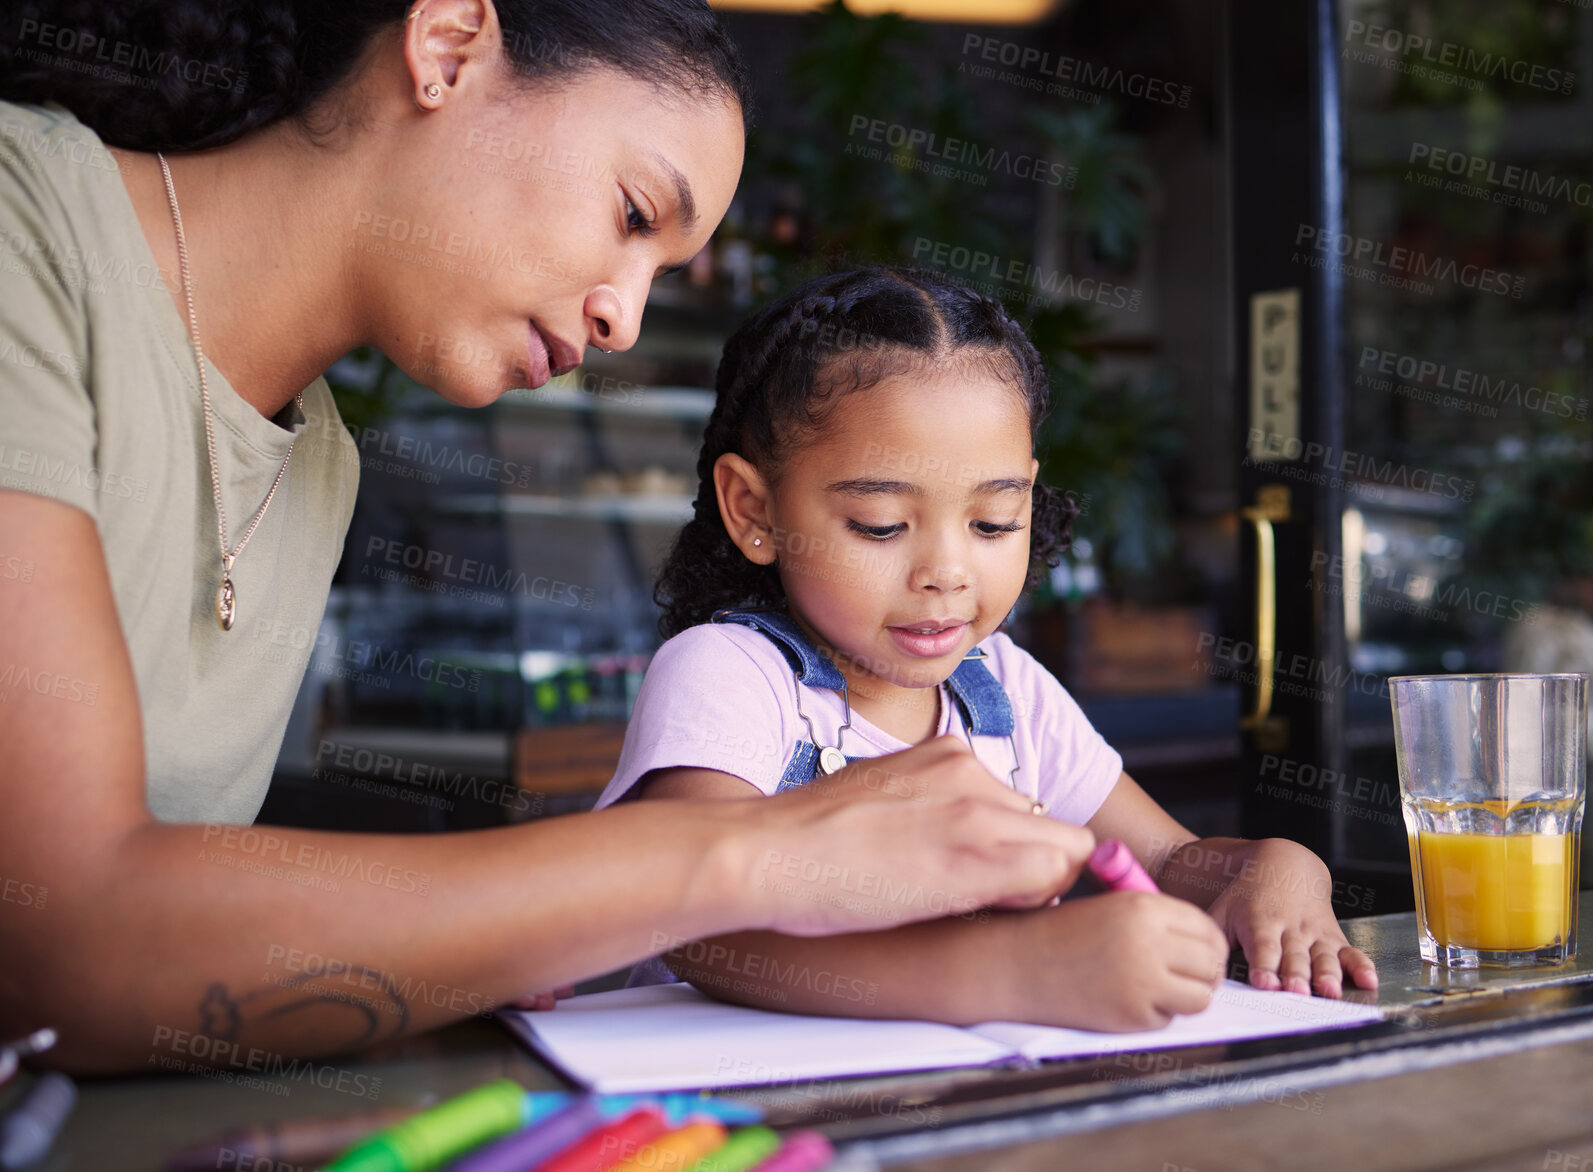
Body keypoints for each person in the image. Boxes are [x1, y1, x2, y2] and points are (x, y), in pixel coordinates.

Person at [0, 2, 1094, 1073]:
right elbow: (58, 937)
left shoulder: (317, 455)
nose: (623, 316)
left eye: (663, 274)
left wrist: (508, 921)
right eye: (631, 214)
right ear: (448, 46)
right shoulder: (24, 222)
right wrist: (749, 854)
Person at [599, 267, 1380, 1031]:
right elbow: (699, 921)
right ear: (754, 509)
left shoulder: (1001, 690)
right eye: (879, 525)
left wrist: (1276, 868)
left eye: (993, 523)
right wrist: (1006, 970)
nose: (946, 574)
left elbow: (1171, 863)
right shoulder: (731, 675)